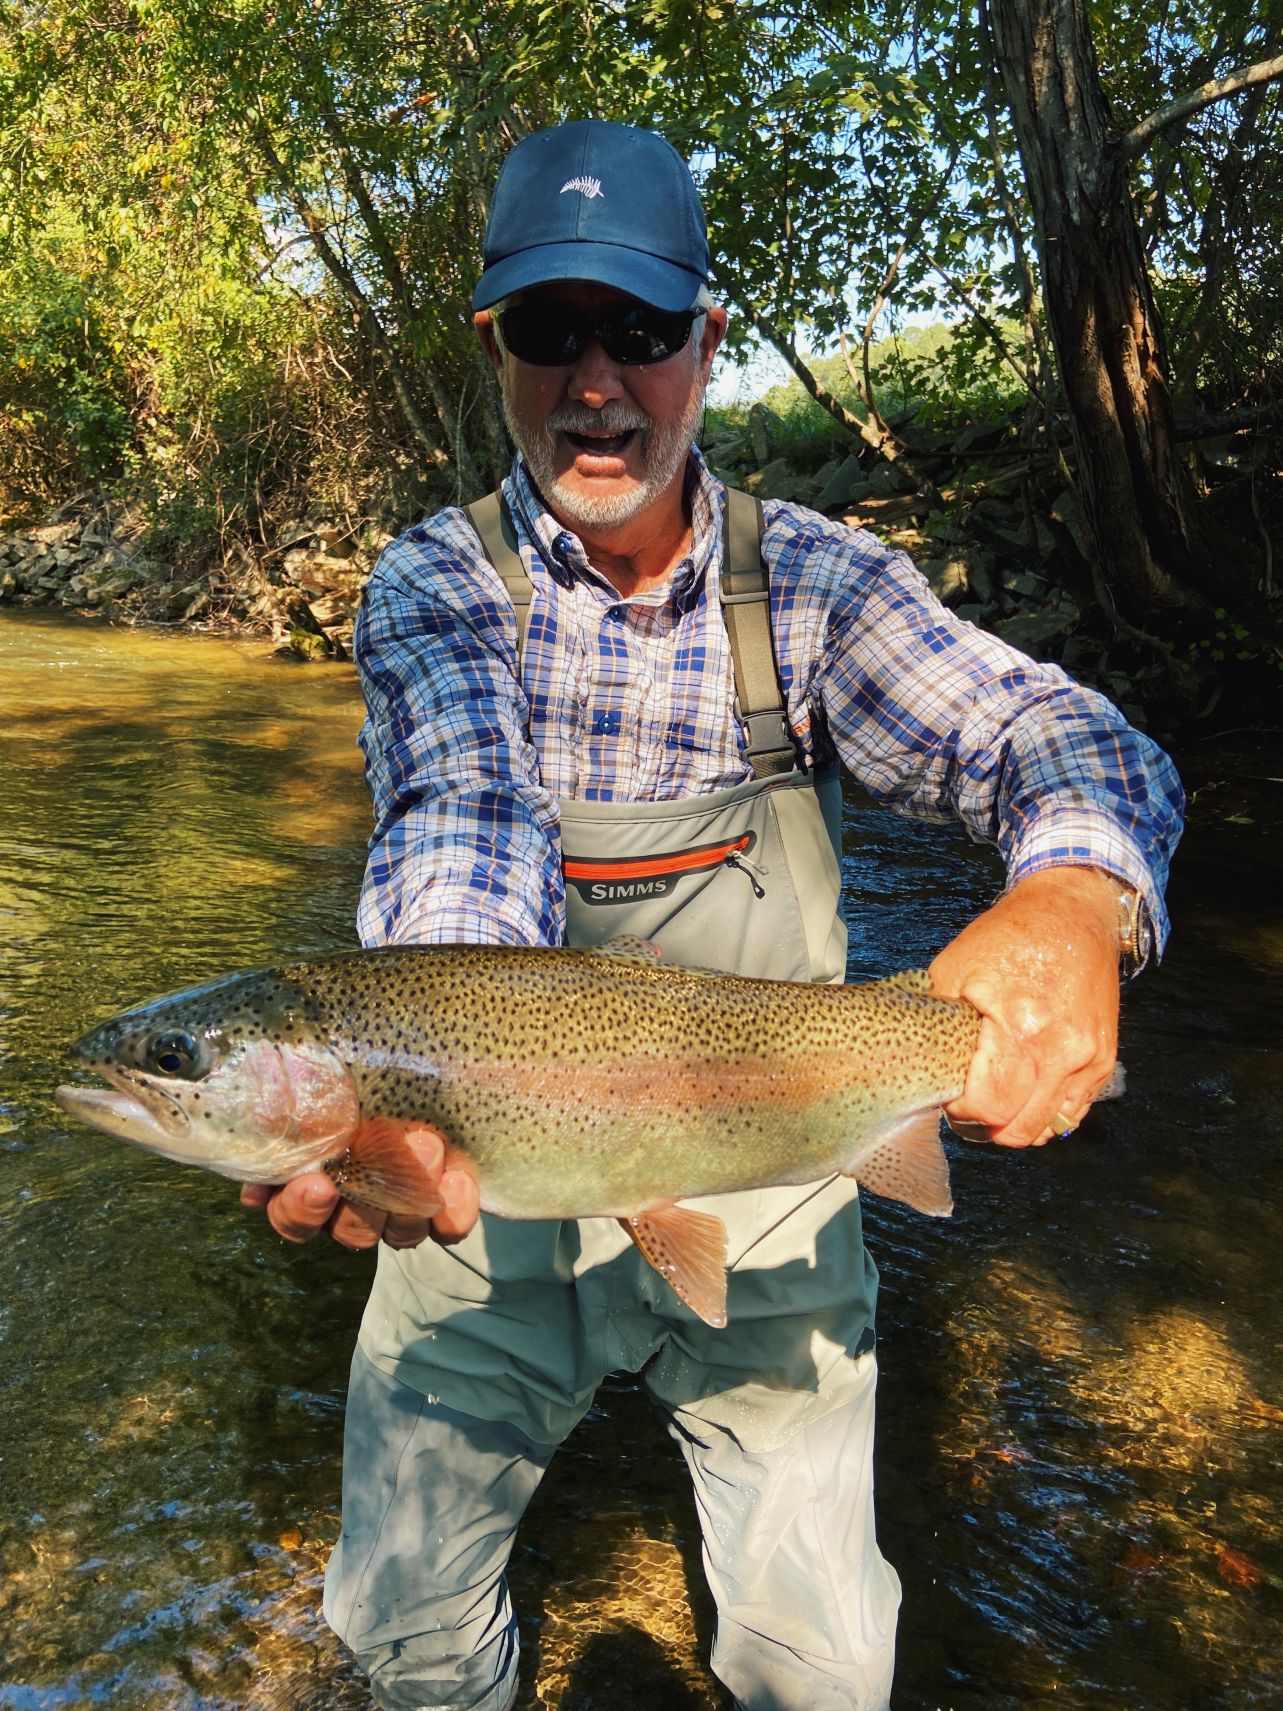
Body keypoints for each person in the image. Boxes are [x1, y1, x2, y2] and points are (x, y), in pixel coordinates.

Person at [242, 119, 1183, 1711]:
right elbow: (462, 822)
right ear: (495, 350)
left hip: (778, 1191)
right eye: (551, 331)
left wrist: (1075, 894)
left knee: (822, 1670)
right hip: (482, 1210)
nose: (596, 382)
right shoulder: (436, 584)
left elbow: (1065, 739)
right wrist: (420, 1095)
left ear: (707, 344)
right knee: (396, 1641)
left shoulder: (815, 586)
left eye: (641, 331)